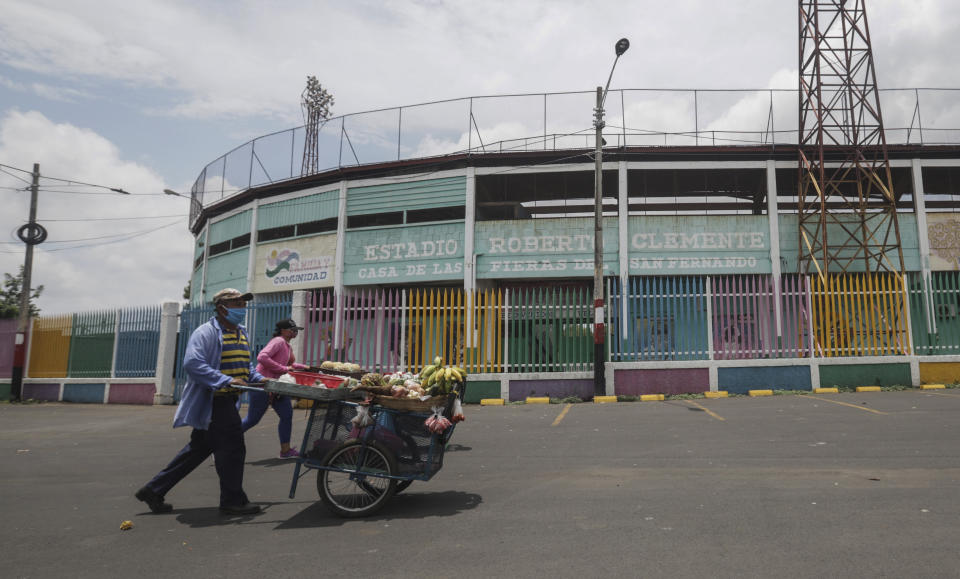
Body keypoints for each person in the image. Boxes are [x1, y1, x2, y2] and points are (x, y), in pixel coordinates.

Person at [135, 288, 264, 516]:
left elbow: (246, 366)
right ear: (222, 307)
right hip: (216, 402)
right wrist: (224, 380)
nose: (242, 307)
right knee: (233, 450)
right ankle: (233, 500)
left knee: (198, 449)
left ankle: (154, 490)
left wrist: (261, 380)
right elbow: (192, 363)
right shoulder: (206, 332)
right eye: (237, 303)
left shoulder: (241, 332)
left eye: (243, 303)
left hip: (227, 400)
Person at [241, 318, 305, 458]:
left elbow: (289, 365)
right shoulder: (278, 341)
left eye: (296, 330)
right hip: (263, 384)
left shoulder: (287, 345)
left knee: (287, 415)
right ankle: (221, 443)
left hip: (277, 386)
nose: (295, 332)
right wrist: (282, 368)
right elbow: (262, 357)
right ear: (283, 331)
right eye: (292, 330)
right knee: (252, 419)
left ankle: (286, 450)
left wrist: (305, 368)